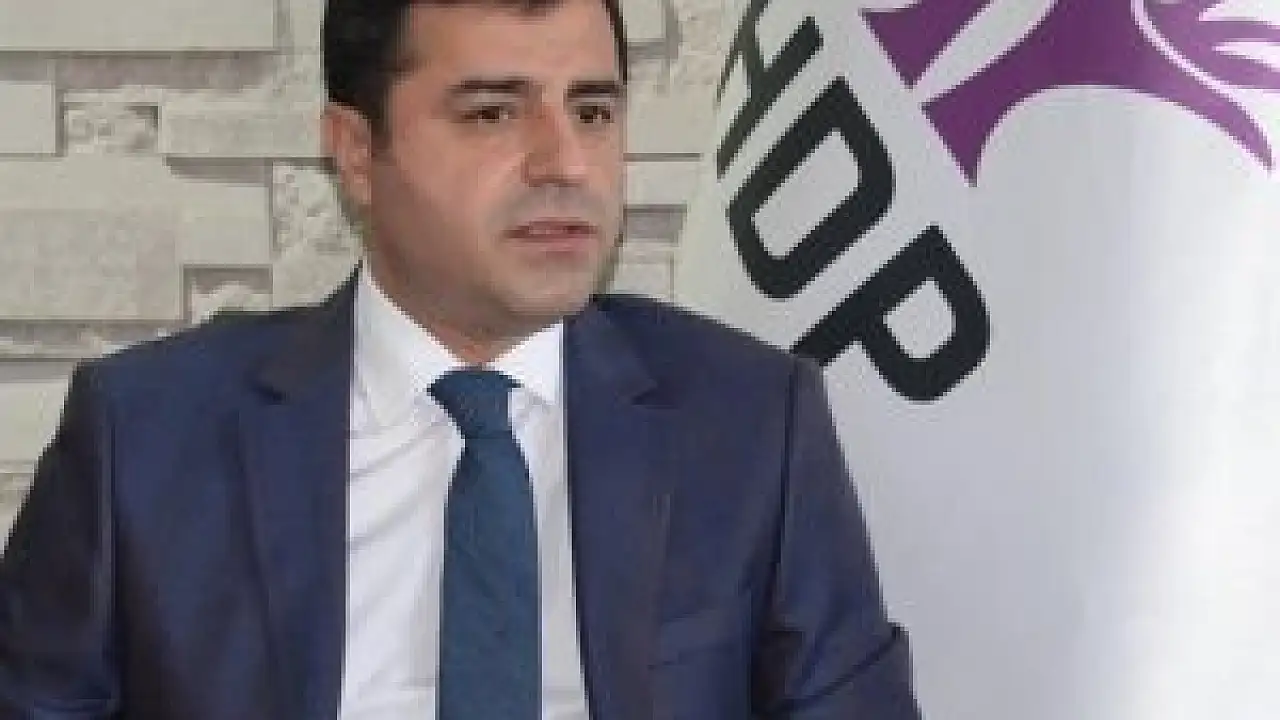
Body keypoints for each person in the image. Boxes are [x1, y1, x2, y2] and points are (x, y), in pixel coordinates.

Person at [0, 0, 921, 717]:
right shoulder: (144, 440)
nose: (564, 162)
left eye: (592, 110)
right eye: (492, 113)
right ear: (354, 151)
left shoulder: (751, 423)